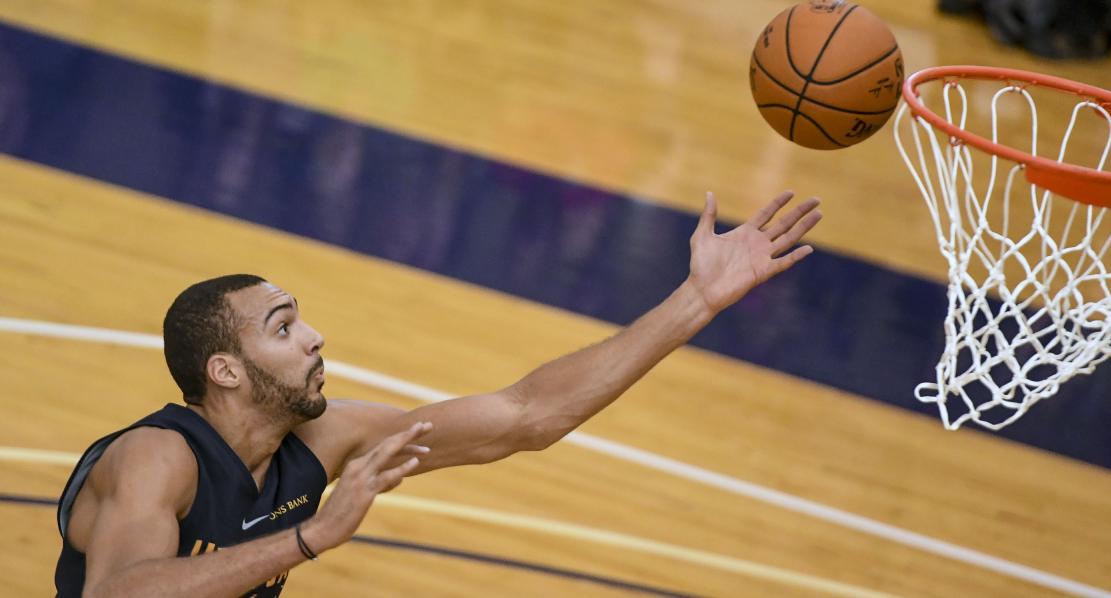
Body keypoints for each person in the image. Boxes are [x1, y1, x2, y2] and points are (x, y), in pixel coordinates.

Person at [54, 191, 822, 597]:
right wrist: (310, 540)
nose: (315, 336)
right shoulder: (158, 459)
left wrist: (697, 300)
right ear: (224, 370)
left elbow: (525, 416)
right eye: (284, 328)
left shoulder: (325, 442)